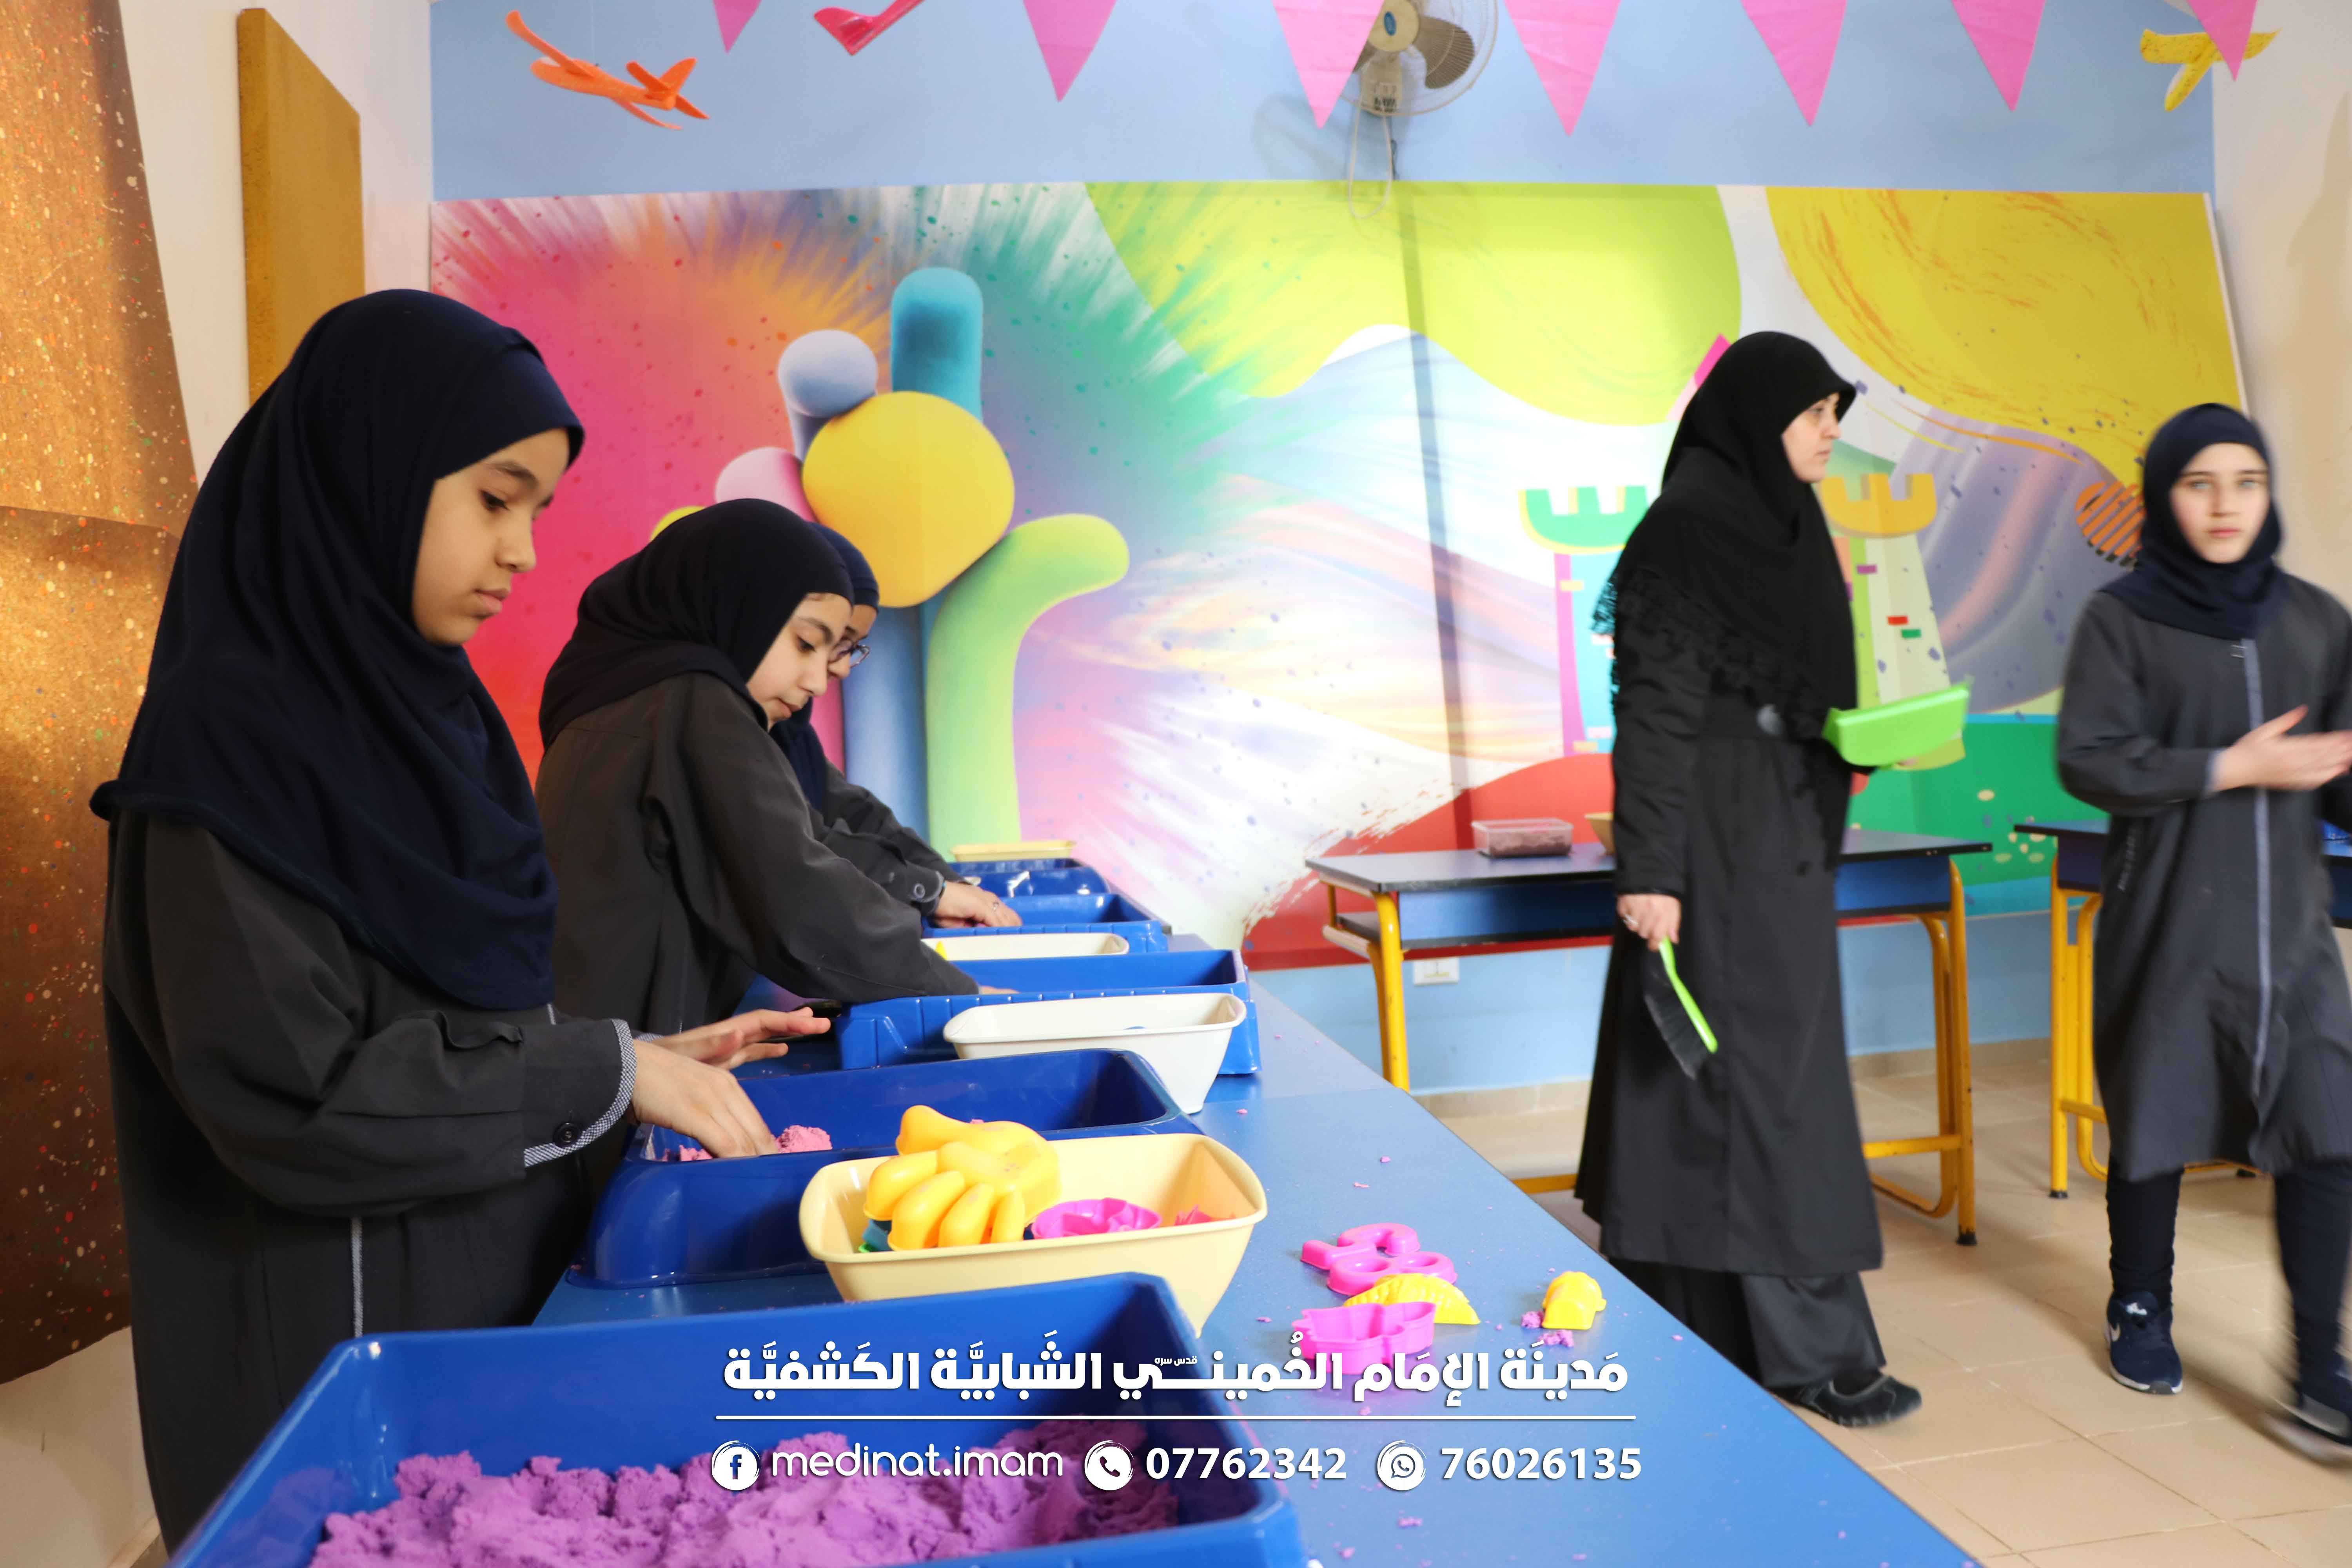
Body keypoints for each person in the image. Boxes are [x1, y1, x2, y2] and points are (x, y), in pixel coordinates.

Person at [94, 292, 825, 1547]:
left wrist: (628, 1062)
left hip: (478, 1334)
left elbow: (455, 1012)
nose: (524, 551)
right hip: (337, 1393)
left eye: (535, 509)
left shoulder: (435, 723)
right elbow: (299, 1094)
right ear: (366, 473)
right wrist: (598, 1071)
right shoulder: (228, 757)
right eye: (495, 499)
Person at [1575, 331, 1921, 1428]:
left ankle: (1691, 1315)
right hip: (1711, 842)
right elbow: (1657, 712)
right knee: (1762, 1085)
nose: (1829, 434)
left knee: (1727, 1076)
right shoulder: (1686, 532)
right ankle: (1811, 1347)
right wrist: (1651, 872)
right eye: (1814, 415)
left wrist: (1860, 735)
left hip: (1782, 833)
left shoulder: (1791, 523)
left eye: (1835, 416)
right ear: (1755, 418)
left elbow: (1799, 686)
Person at [2056, 404, 2352, 1453]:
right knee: (2158, 1115)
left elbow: (2339, 776)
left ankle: (2318, 1365)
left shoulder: (2316, 620)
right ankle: (2140, 1305)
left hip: (2292, 937)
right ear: (2164, 496)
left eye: (2247, 483)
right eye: (2200, 484)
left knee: (2330, 1128)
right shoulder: (2121, 620)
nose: (2226, 506)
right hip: (2172, 920)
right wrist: (2234, 765)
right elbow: (2089, 758)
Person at [536, 499, 981, 1034]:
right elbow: (801, 896)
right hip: (638, 1057)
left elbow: (812, 835)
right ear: (737, 606)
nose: (818, 680)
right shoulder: (693, 706)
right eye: (806, 643)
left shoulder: (629, 698)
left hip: (601, 1043)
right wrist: (962, 995)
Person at [778, 523, 1018, 927]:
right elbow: (801, 847)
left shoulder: (791, 732)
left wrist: (947, 885)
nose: (834, 671)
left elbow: (857, 814)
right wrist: (930, 891)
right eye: (812, 642)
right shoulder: (716, 726)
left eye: (849, 647)